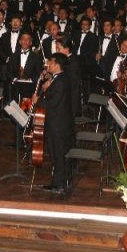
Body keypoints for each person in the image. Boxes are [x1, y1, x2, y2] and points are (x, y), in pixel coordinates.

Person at [33, 53, 74, 192]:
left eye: (50, 62)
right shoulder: (58, 78)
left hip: (57, 124)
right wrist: (46, 89)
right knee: (57, 153)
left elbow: (53, 103)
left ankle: (59, 184)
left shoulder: (60, 81)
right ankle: (62, 182)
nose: (47, 64)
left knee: (57, 154)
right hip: (58, 123)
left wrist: (37, 100)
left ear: (57, 64)